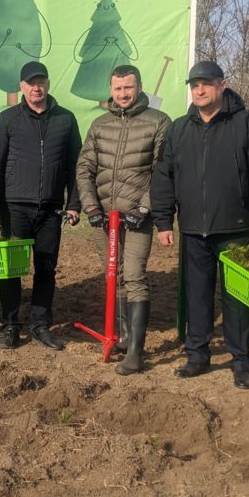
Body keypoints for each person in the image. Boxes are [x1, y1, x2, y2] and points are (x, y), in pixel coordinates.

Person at [151, 61, 249, 389]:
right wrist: (164, 220)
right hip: (193, 228)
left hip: (236, 227)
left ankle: (241, 361)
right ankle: (197, 355)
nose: (199, 90)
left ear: (223, 85)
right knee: (197, 295)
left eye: (206, 84)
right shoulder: (178, 129)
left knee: (236, 298)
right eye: (194, 85)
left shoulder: (247, 125)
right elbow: (164, 178)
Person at [76, 65, 171, 373]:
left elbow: (163, 171)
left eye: (128, 88)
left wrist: (144, 209)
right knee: (113, 277)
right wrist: (91, 208)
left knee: (133, 275)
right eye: (117, 89)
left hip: (136, 217)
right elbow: (84, 167)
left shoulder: (158, 122)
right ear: (111, 89)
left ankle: (136, 352)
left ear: (139, 86)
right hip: (105, 217)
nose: (123, 94)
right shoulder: (100, 124)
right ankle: (123, 334)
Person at [0, 61, 82, 351]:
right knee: (11, 270)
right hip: (15, 208)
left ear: (48, 84)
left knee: (46, 268)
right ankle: (11, 327)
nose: (36, 87)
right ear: (22, 87)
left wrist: (74, 203)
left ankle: (40, 326)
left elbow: (75, 166)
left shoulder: (66, 119)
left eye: (40, 81)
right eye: (30, 83)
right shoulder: (7, 120)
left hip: (51, 209)